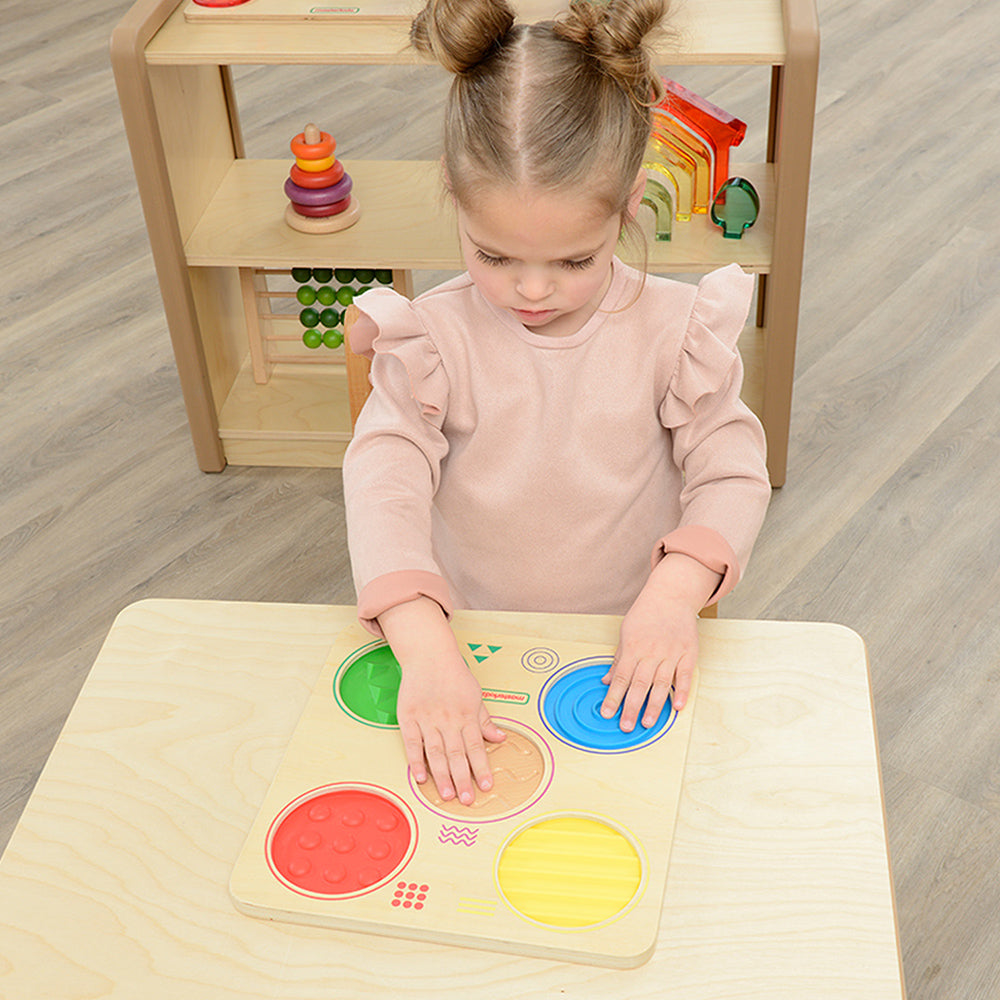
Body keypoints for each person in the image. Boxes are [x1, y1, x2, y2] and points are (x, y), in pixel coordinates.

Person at [343, 0, 771, 807]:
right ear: (454, 195)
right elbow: (382, 485)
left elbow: (732, 472)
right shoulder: (431, 339)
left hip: (624, 641)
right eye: (494, 255)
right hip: (463, 644)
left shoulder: (677, 332)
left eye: (575, 260)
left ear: (631, 203)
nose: (532, 291)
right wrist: (423, 644)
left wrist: (675, 595)